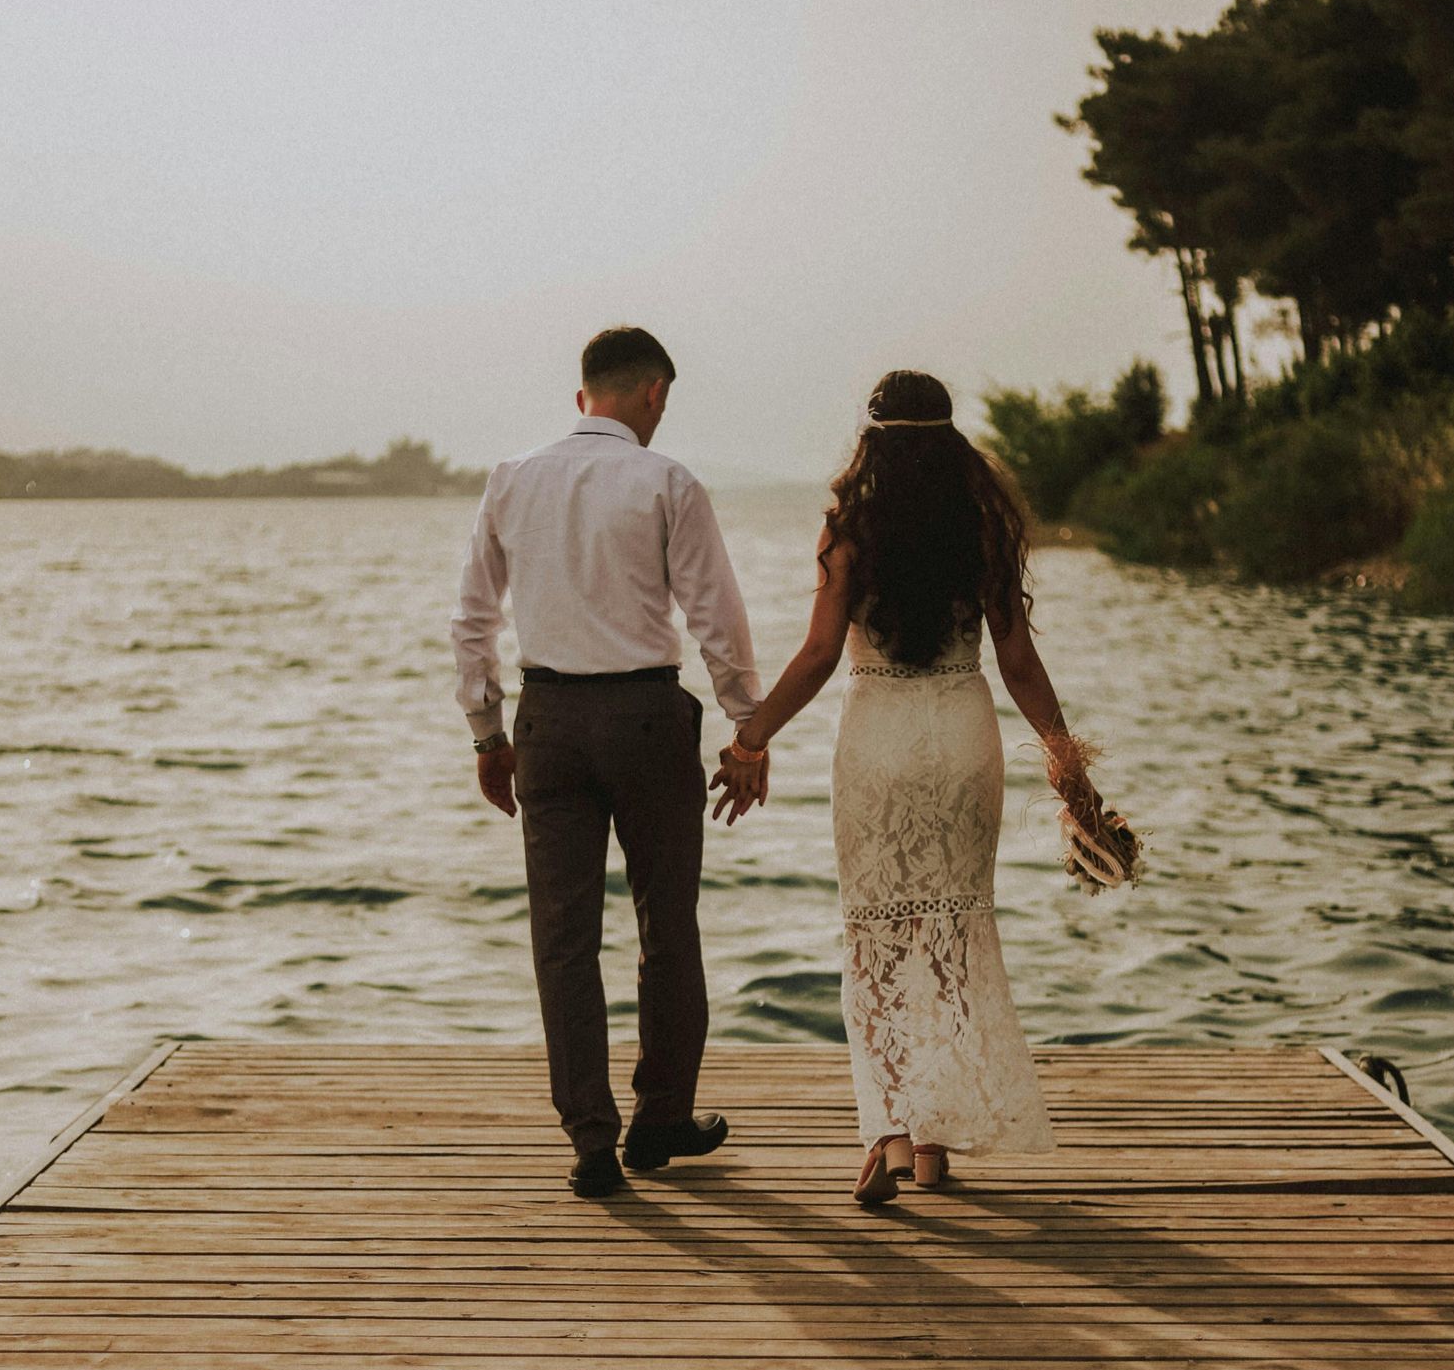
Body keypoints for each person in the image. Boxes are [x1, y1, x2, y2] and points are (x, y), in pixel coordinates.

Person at [712, 370, 1096, 1208]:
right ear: (952, 440)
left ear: (873, 440)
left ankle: (888, 1133)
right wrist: (1069, 766)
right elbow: (1019, 663)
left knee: (878, 941)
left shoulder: (849, 528)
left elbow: (818, 656)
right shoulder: (983, 526)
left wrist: (750, 738)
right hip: (963, 733)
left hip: (878, 739)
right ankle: (932, 1145)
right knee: (952, 936)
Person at [452, 327, 764, 1199]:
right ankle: (659, 1120)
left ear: (582, 392)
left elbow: (471, 619)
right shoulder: (667, 480)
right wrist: (748, 730)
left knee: (563, 938)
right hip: (644, 717)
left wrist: (487, 730)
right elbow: (716, 618)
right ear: (655, 393)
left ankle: (590, 1139)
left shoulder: (512, 478)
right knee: (668, 926)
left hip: (546, 717)